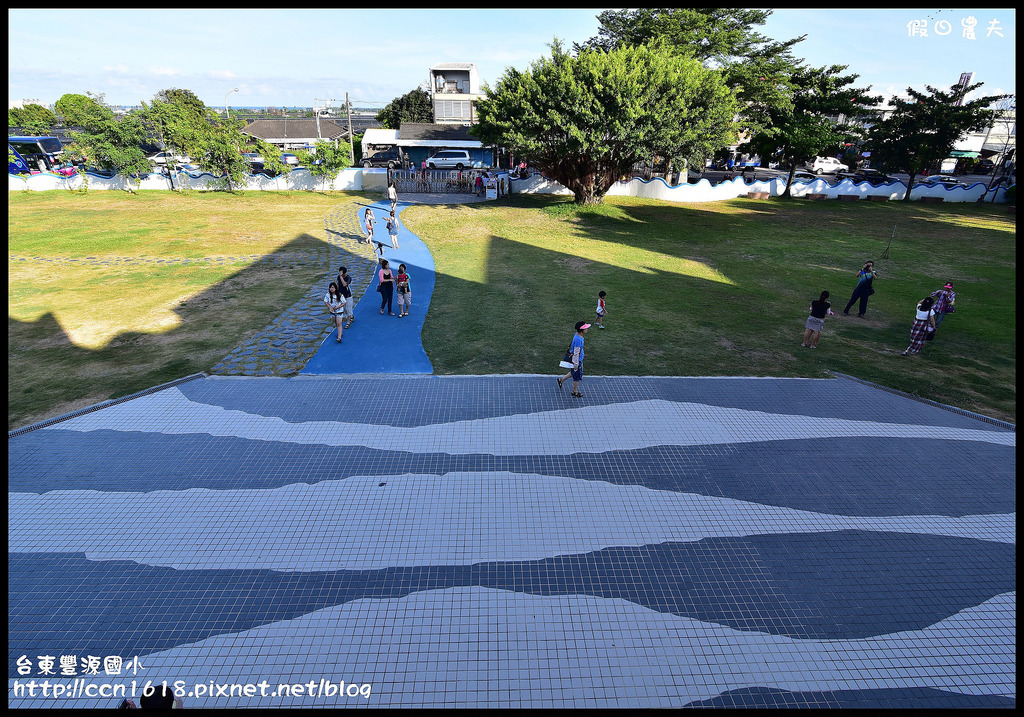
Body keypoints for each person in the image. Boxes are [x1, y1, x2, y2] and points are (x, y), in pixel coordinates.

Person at [557, 321, 590, 398]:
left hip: (576, 359)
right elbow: (576, 353)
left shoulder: (578, 336)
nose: (587, 329)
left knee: (573, 372)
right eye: (585, 328)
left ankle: (561, 380)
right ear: (581, 330)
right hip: (577, 360)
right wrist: (576, 364)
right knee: (576, 377)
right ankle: (574, 391)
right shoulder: (579, 340)